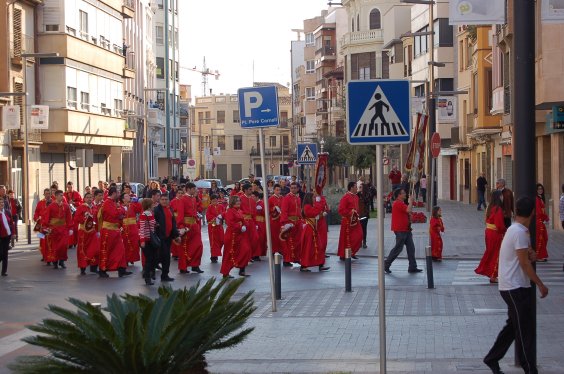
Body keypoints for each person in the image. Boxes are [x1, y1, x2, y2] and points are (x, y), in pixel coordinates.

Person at [483, 196, 548, 374]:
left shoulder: (517, 230)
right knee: (525, 329)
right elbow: (524, 264)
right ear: (533, 213)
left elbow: (524, 256)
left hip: (514, 286)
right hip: (514, 287)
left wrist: (531, 254)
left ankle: (492, 358)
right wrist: (540, 284)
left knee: (512, 327)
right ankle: (529, 369)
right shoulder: (519, 232)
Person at [384, 188, 422, 274]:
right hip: (400, 229)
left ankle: (412, 266)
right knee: (398, 248)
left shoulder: (400, 203)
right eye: (403, 193)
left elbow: (408, 212)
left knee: (411, 248)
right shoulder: (397, 203)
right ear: (399, 195)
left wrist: (409, 216)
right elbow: (408, 209)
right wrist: (411, 201)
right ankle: (387, 263)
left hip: (406, 229)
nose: (405, 194)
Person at [97, 187, 131, 278]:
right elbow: (115, 214)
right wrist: (122, 209)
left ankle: (121, 269)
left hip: (114, 230)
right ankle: (102, 270)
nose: (119, 194)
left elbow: (118, 215)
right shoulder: (108, 203)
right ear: (114, 193)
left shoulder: (112, 203)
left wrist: (120, 211)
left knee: (120, 250)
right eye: (118, 192)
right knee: (107, 251)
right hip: (108, 231)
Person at [475, 191, 506, 283]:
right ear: (499, 197)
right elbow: (499, 225)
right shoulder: (498, 209)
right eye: (501, 196)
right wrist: (506, 231)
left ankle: (489, 272)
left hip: (489, 232)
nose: (502, 198)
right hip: (495, 234)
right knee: (496, 254)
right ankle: (493, 275)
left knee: (490, 252)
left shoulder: (490, 207)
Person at [220, 195, 251, 278]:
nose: (238, 202)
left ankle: (242, 269)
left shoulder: (239, 211)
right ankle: (225, 272)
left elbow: (243, 221)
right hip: (232, 235)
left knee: (246, 250)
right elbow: (230, 223)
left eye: (239, 201)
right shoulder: (230, 211)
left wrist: (246, 225)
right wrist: (240, 226)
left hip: (240, 234)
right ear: (232, 202)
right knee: (229, 254)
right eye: (237, 201)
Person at [153, 193, 180, 282]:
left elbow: (173, 224)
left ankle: (164, 275)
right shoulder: (156, 210)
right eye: (162, 199)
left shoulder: (170, 209)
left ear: (168, 200)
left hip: (168, 237)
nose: (164, 201)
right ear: (160, 200)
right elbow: (153, 223)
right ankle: (150, 273)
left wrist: (176, 235)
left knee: (165, 257)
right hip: (160, 237)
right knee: (163, 256)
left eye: (166, 199)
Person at [299, 192, 330, 272]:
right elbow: (315, 212)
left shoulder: (310, 206)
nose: (314, 199)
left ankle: (320, 264)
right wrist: (319, 203)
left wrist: (322, 214)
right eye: (313, 198)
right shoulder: (307, 207)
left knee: (318, 247)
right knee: (308, 248)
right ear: (309, 198)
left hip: (313, 229)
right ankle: (304, 265)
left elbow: (316, 215)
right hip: (309, 229)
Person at [43, 190, 73, 269]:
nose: (62, 197)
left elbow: (69, 218)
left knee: (63, 246)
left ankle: (62, 261)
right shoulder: (51, 206)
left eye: (62, 195)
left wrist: (70, 228)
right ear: (56, 196)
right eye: (60, 195)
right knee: (55, 246)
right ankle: (55, 261)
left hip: (63, 228)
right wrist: (46, 227)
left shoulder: (66, 206)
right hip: (54, 229)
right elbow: (47, 217)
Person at [180, 182, 204, 274]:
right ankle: (183, 267)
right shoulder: (182, 199)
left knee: (198, 246)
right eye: (194, 189)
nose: (195, 191)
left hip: (194, 225)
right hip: (186, 225)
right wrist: (181, 226)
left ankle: (195, 265)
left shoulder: (194, 199)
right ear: (189, 189)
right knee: (185, 247)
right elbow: (181, 214)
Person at [337, 182, 363, 260]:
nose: (357, 188)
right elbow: (341, 210)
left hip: (355, 221)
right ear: (351, 188)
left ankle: (352, 252)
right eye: (355, 187)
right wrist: (350, 213)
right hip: (348, 221)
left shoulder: (356, 197)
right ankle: (344, 254)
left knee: (359, 235)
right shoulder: (346, 197)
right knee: (347, 238)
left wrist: (357, 214)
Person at [73, 192, 98, 275]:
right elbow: (76, 218)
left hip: (93, 231)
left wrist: (98, 230)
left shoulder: (94, 207)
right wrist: (84, 218)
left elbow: (96, 219)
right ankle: (83, 267)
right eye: (87, 197)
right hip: (83, 231)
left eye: (91, 197)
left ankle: (93, 266)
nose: (89, 199)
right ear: (84, 199)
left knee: (95, 248)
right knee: (82, 249)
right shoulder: (81, 207)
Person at [280, 182, 302, 266]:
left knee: (297, 242)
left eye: (294, 188)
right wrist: (285, 223)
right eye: (291, 188)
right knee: (289, 242)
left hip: (297, 223)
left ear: (297, 189)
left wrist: (301, 220)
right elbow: (284, 211)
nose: (293, 189)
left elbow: (299, 210)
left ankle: (296, 258)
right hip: (290, 223)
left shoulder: (298, 198)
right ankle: (287, 260)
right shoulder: (287, 198)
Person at [139, 198, 157, 285]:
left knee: (152, 258)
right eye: (152, 204)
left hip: (150, 239)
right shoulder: (145, 214)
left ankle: (150, 274)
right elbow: (141, 228)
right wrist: (142, 240)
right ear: (149, 205)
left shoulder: (150, 213)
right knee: (149, 259)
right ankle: (147, 277)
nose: (154, 205)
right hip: (146, 239)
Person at [120, 193, 142, 265]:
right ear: (123, 199)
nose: (129, 197)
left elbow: (140, 209)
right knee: (125, 244)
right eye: (126, 196)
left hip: (133, 228)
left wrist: (136, 202)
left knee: (134, 244)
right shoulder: (120, 207)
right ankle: (126, 259)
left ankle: (132, 258)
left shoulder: (133, 205)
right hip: (124, 228)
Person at [239, 184, 259, 261]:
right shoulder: (241, 198)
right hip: (244, 221)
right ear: (246, 190)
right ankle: (245, 256)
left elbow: (254, 213)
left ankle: (250, 255)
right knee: (245, 240)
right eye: (250, 189)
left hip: (251, 222)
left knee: (255, 238)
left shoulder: (252, 200)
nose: (252, 191)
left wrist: (255, 223)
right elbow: (238, 211)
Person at [34, 188, 52, 264]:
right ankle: (44, 255)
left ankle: (49, 257)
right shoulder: (40, 203)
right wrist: (37, 218)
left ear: (50, 194)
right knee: (42, 241)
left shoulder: (53, 202)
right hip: (41, 226)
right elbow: (36, 212)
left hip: (50, 226)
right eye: (46, 193)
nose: (47, 195)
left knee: (50, 241)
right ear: (44, 194)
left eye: (49, 193)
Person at [206, 194, 225, 263]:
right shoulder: (209, 207)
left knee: (222, 240)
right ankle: (214, 255)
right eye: (213, 201)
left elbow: (224, 213)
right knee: (214, 241)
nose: (215, 202)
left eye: (216, 200)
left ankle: (216, 252)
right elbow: (208, 216)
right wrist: (215, 218)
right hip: (212, 226)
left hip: (219, 225)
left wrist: (221, 216)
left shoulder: (221, 206)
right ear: (211, 201)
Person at [535, 183, 549, 262]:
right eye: (538, 189)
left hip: (541, 221)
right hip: (538, 221)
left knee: (545, 238)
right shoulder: (536, 199)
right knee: (540, 239)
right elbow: (539, 212)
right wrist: (546, 218)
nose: (540, 190)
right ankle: (539, 256)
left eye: (541, 189)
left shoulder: (540, 198)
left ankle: (540, 255)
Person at [269, 184, 283, 255]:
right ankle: (274, 250)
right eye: (277, 190)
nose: (278, 191)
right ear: (274, 190)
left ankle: (280, 249)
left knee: (281, 234)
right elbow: (268, 209)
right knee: (274, 235)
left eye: (279, 190)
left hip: (281, 219)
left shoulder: (282, 198)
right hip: (274, 219)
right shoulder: (271, 198)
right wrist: (273, 208)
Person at [0, 199, 13, 276]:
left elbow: (11, 223)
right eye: (0, 203)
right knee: (1, 253)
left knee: (5, 254)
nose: (1, 204)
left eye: (2, 203)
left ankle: (4, 271)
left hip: (7, 235)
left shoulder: (7, 212)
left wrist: (13, 233)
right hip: (0, 236)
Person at [253, 192, 267, 257]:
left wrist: (262, 210)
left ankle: (260, 253)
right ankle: (255, 254)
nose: (252, 198)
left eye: (253, 196)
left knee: (261, 238)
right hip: (254, 222)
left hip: (261, 223)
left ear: (257, 197)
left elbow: (266, 214)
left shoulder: (262, 203)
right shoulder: (252, 203)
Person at [357, 183, 370, 249]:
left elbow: (366, 201)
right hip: (359, 214)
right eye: (359, 187)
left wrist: (361, 195)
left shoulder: (367, 194)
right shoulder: (358, 194)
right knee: (359, 228)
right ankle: (359, 242)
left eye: (360, 187)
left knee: (364, 228)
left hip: (365, 214)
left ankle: (364, 242)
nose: (359, 188)